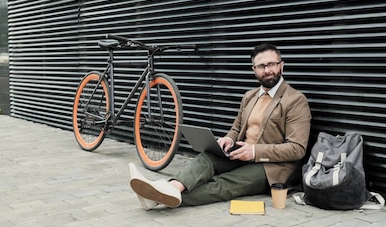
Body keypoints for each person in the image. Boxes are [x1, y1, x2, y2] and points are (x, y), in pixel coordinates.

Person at [129, 43, 311, 209]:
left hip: (273, 167)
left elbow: (297, 149)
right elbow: (236, 128)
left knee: (223, 183)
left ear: (281, 65)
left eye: (272, 64)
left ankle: (160, 196)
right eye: (262, 66)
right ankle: (171, 188)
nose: (268, 70)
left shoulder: (295, 100)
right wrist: (228, 139)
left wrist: (255, 151)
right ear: (254, 70)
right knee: (206, 158)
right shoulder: (250, 96)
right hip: (241, 155)